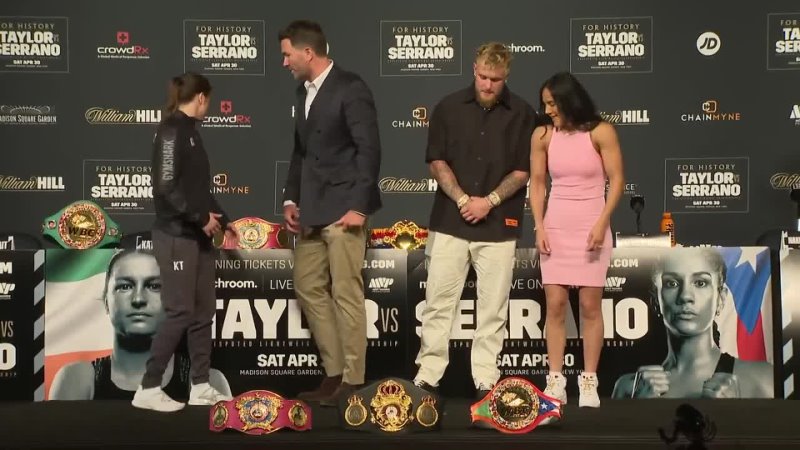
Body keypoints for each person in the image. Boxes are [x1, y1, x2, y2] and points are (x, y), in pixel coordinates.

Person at [413, 42, 535, 399]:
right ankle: (428, 375)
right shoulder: (448, 108)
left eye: (495, 79)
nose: (487, 85)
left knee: (493, 309)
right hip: (451, 221)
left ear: (506, 76)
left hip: (499, 227)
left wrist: (491, 201)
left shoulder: (524, 114)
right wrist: (465, 200)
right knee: (438, 302)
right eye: (482, 76)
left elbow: (523, 170)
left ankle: (485, 379)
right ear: (473, 69)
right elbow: (437, 161)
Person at [278, 20, 382, 406]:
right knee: (307, 286)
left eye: (287, 54)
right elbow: (299, 152)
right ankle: (334, 372)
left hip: (344, 210)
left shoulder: (351, 88)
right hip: (311, 211)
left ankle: (353, 380)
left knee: (346, 293)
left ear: (308, 52)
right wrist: (291, 198)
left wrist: (359, 205)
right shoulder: (301, 92)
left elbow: (369, 149)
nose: (284, 62)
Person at [131, 72, 238, 412]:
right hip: (176, 236)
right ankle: (148, 388)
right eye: (209, 101)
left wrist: (225, 220)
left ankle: (201, 387)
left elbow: (200, 191)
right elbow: (165, 189)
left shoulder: (193, 134)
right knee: (179, 311)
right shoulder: (170, 131)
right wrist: (200, 217)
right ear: (202, 98)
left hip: (199, 237)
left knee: (203, 313)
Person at [530, 71, 624, 408]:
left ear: (570, 100)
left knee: (589, 307)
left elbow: (617, 180)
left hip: (592, 226)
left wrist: (602, 222)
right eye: (545, 104)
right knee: (554, 306)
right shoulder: (542, 135)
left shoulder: (601, 132)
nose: (548, 109)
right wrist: (539, 226)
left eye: (553, 103)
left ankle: (589, 381)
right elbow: (538, 184)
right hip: (556, 225)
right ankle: (555, 380)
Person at [48, 249, 231, 401]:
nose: (138, 299)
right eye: (125, 286)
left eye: (154, 286)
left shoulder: (209, 382)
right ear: (106, 302)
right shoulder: (77, 379)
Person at [611, 247, 774, 398]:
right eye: (672, 283)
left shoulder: (762, 378)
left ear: (721, 299)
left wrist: (733, 413)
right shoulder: (628, 387)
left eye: (700, 283)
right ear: (656, 300)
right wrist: (640, 411)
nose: (685, 296)